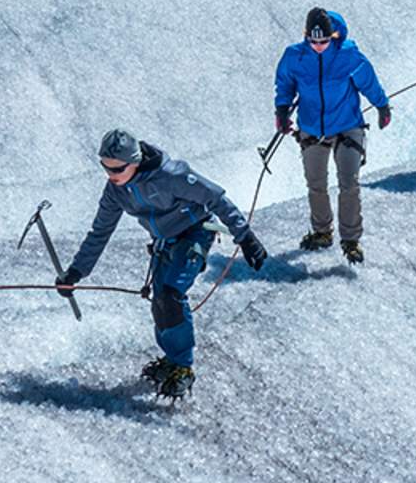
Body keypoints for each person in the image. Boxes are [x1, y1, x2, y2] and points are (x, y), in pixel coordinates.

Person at [54, 130, 267, 399]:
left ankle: (183, 368)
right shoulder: (115, 191)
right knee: (159, 301)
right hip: (163, 242)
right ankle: (172, 358)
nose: (111, 175)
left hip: (194, 233)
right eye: (105, 168)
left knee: (171, 295)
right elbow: (100, 232)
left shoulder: (171, 176)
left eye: (117, 168)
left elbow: (215, 197)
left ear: (134, 161)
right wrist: (76, 271)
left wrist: (245, 236)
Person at [274, 8, 390, 265]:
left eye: (324, 41)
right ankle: (322, 232)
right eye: (313, 41)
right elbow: (285, 84)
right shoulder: (294, 56)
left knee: (348, 183)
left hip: (348, 127)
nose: (318, 46)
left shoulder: (348, 54)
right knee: (316, 184)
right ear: (306, 36)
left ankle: (350, 240)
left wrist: (382, 106)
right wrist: (282, 110)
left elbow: (368, 82)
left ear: (333, 36)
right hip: (312, 129)